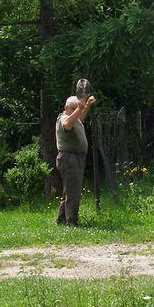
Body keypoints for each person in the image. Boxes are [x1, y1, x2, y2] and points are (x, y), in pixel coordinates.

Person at [55, 94, 95, 226]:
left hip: (74, 158)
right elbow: (67, 124)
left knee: (69, 191)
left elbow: (80, 118)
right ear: (68, 108)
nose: (78, 111)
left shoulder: (74, 117)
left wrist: (87, 106)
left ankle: (61, 220)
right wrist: (79, 108)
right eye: (75, 108)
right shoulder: (64, 118)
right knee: (73, 193)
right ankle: (71, 222)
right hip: (69, 158)